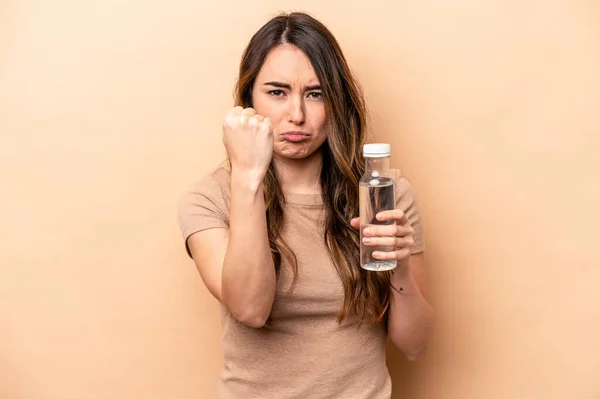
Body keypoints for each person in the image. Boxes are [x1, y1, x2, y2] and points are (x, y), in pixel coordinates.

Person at [178, 11, 433, 398]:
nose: (296, 115)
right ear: (248, 99)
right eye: (276, 92)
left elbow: (415, 346)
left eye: (316, 94)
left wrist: (397, 268)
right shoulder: (210, 199)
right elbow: (250, 309)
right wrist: (247, 176)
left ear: (336, 101)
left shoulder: (383, 193)